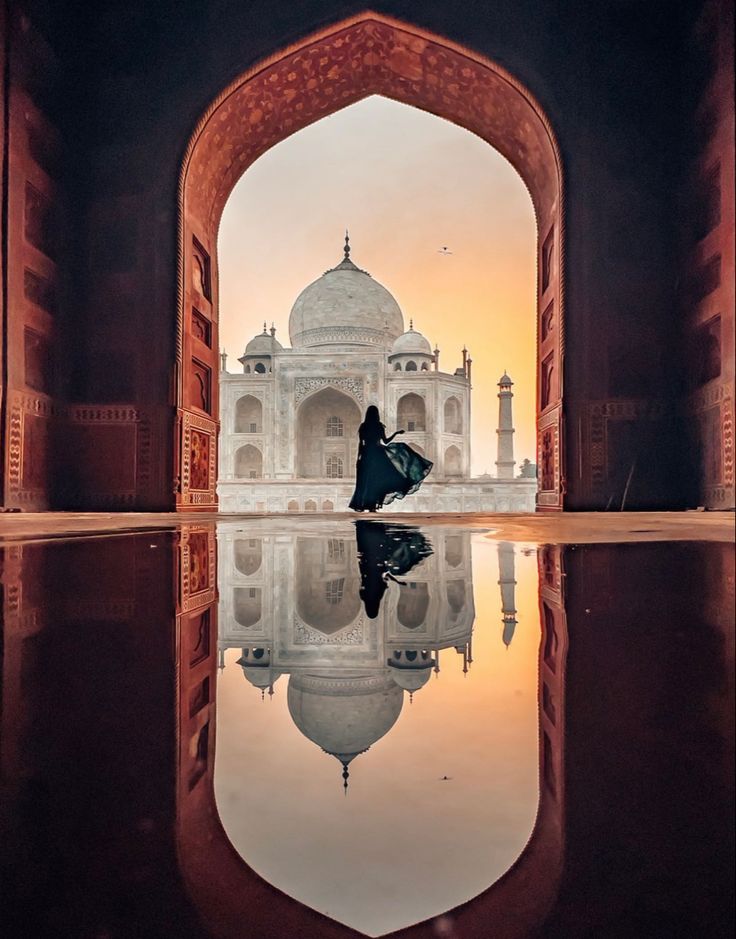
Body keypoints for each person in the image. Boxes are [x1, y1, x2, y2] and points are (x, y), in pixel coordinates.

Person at [349, 405, 433, 512]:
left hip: (367, 455)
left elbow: (361, 443)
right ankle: (372, 506)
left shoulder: (363, 426)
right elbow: (386, 441)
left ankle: (367, 504)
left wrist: (359, 458)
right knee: (378, 480)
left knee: (366, 480)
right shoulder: (378, 426)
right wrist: (396, 433)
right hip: (377, 454)